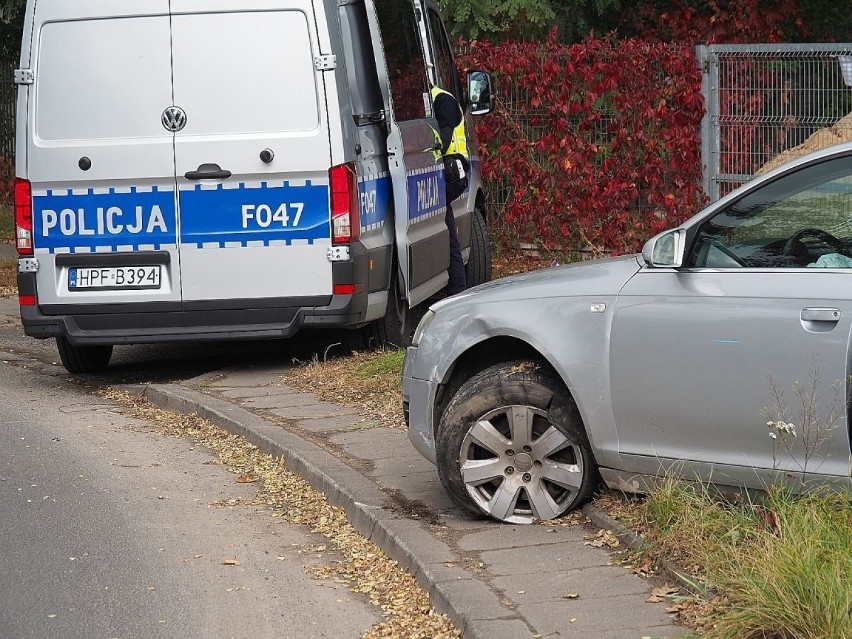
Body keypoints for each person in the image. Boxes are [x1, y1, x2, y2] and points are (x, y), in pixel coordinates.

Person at [431, 85, 469, 295]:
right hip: (447, 172)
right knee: (447, 229)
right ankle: (456, 287)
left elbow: (442, 141)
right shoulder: (436, 99)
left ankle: (456, 287)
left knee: (446, 229)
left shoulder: (442, 100)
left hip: (452, 172)